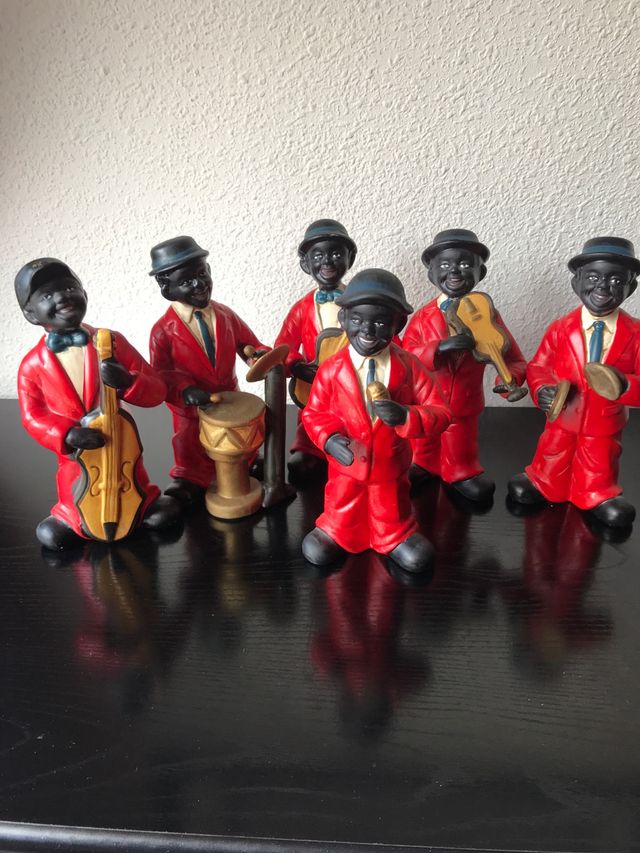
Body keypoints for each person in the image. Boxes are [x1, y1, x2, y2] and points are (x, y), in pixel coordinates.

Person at [16, 258, 179, 550]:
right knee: (62, 517)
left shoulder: (112, 343)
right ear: (30, 314)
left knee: (138, 484)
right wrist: (66, 433)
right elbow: (32, 416)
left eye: (70, 288)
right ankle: (71, 515)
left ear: (84, 294)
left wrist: (128, 382)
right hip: (75, 458)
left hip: (120, 444)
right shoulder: (31, 366)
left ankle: (142, 504)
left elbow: (157, 390)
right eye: (47, 295)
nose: (62, 297)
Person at [301, 268, 451, 574]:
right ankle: (336, 531)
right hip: (346, 469)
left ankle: (394, 535)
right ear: (343, 320)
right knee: (343, 504)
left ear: (398, 324)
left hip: (389, 465)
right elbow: (313, 413)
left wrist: (407, 416)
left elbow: (441, 412)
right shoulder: (331, 369)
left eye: (380, 322)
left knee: (391, 506)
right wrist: (329, 439)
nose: (367, 330)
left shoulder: (410, 367)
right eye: (357, 320)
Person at [508, 237, 640, 528]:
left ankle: (597, 494)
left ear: (631, 288)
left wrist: (624, 385)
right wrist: (542, 389)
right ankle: (543, 482)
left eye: (616, 280)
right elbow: (539, 366)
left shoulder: (636, 334)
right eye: (592, 278)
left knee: (600, 458)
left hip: (605, 420)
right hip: (563, 415)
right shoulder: (560, 329)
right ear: (576, 283)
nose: (602, 287)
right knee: (553, 451)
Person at [403, 229, 527, 502]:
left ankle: (460, 472)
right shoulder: (422, 318)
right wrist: (438, 348)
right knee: (424, 438)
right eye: (445, 264)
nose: (454, 271)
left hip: (464, 401)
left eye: (464, 264)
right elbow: (405, 355)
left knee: (459, 441)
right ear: (431, 273)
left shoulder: (488, 316)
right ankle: (423, 464)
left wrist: (507, 380)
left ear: (480, 272)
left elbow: (514, 359)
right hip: (425, 400)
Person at [148, 236, 268, 506]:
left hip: (230, 400)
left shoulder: (225, 315)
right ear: (166, 287)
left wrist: (259, 356)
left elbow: (249, 344)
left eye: (202, 274)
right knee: (189, 442)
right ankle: (192, 477)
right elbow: (160, 374)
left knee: (238, 438)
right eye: (187, 281)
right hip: (191, 410)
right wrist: (184, 390)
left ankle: (245, 462)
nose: (199, 284)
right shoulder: (162, 331)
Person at [274, 219, 357, 480]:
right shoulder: (302, 308)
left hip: (353, 384)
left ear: (350, 258)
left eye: (336, 254)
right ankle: (311, 447)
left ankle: (352, 446)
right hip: (314, 385)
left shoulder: (361, 302)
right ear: (305, 264)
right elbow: (283, 346)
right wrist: (297, 366)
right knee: (312, 416)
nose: (327, 262)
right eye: (318, 256)